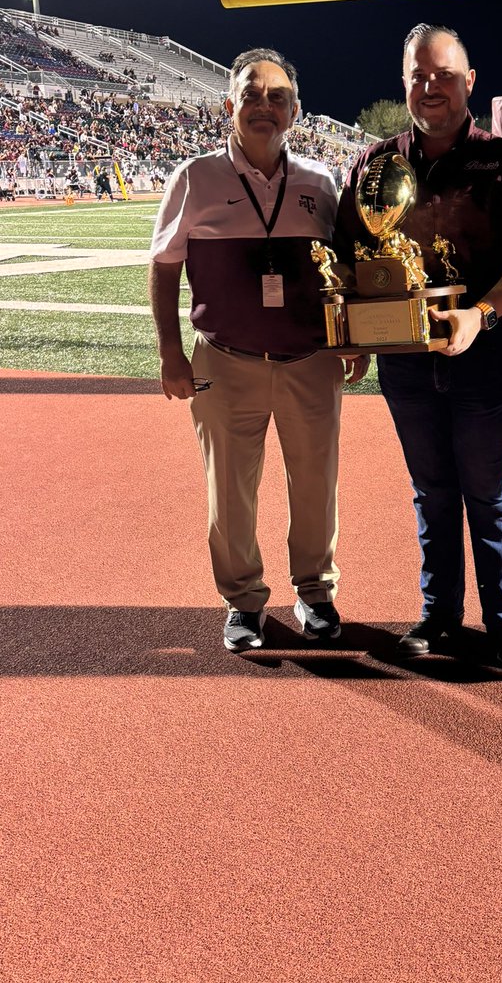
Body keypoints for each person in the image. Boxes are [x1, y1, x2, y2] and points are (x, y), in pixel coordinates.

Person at [336, 23, 502, 669]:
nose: (431, 88)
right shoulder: (376, 164)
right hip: (403, 361)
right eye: (419, 76)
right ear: (404, 81)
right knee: (431, 490)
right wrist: (354, 330)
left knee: (486, 489)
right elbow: (349, 257)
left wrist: (480, 315)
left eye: (444, 75)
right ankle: (439, 615)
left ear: (470, 82)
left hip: (481, 356)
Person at [149, 47, 367, 652]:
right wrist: (171, 352)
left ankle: (316, 591)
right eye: (251, 94)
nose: (263, 106)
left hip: (310, 359)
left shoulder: (321, 182)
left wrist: (352, 336)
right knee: (229, 492)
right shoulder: (194, 177)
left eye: (277, 96)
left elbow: (344, 268)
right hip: (225, 357)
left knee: (316, 483)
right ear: (229, 105)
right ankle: (243, 600)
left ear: (295, 111)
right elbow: (165, 268)